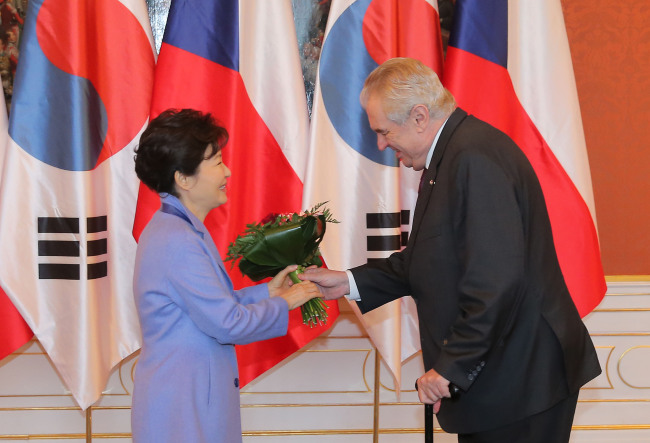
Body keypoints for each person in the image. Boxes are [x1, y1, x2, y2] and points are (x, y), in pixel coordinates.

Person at [302, 58, 601, 442]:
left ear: (420, 117)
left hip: (521, 380)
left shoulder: (474, 159)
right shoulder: (450, 157)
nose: (380, 143)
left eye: (383, 131)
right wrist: (346, 282)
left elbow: (496, 282)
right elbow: (425, 260)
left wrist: (450, 369)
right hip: (504, 377)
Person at [131, 108, 321, 443]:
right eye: (217, 162)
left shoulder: (180, 229)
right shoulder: (178, 241)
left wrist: (268, 295)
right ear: (184, 178)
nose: (227, 171)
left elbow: (211, 307)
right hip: (183, 405)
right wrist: (288, 302)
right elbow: (227, 323)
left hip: (188, 396)